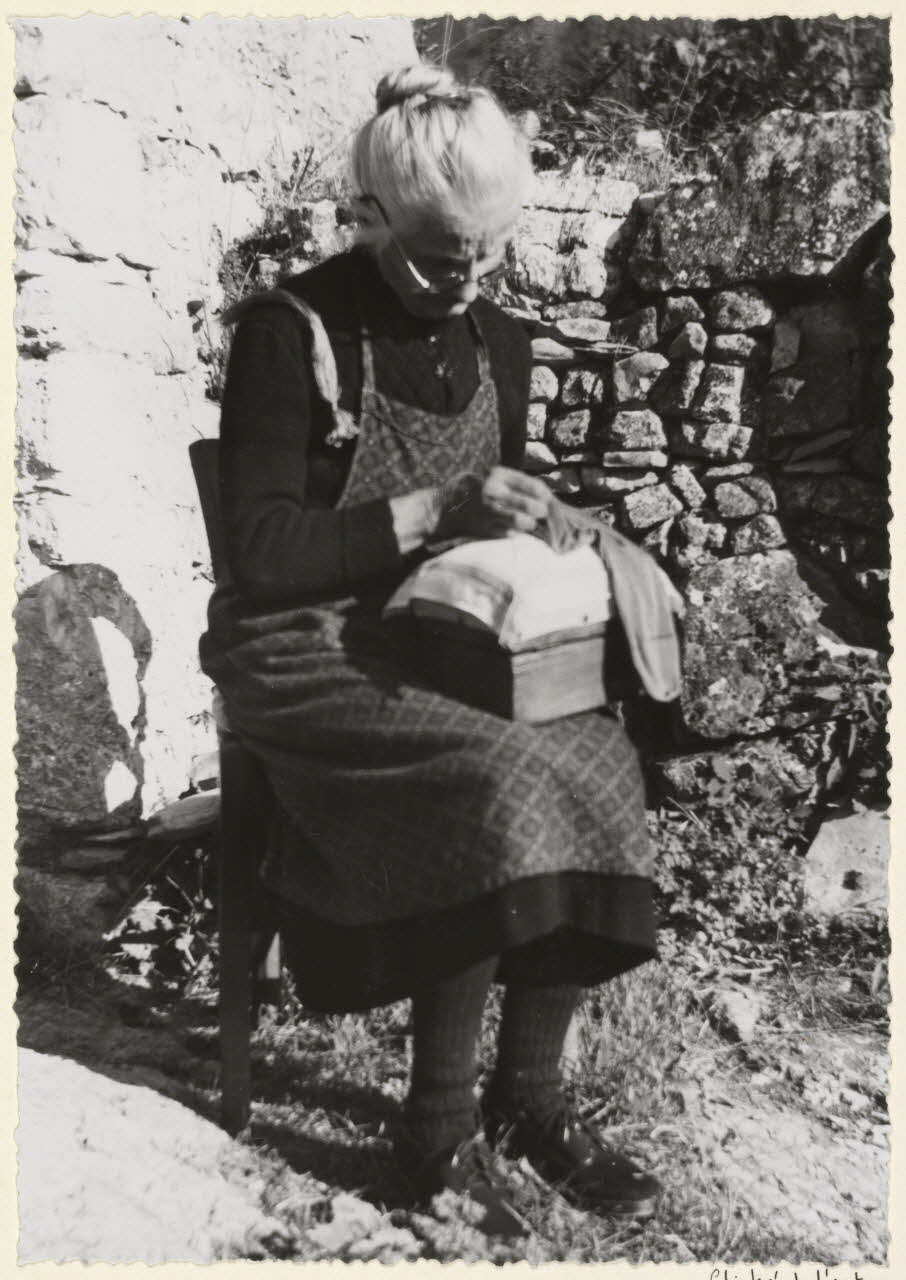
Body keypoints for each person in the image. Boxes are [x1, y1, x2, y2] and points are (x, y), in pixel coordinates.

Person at [200, 64, 660, 1240]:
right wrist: (437, 509)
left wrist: (543, 522)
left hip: (434, 627)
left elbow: (486, 511)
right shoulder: (290, 330)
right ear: (372, 216)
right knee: (496, 778)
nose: (470, 281)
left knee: (597, 752)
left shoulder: (496, 337)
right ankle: (434, 1134)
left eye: (489, 253)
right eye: (442, 254)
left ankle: (531, 1099)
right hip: (299, 646)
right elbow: (259, 550)